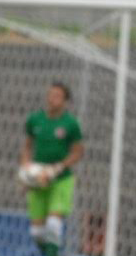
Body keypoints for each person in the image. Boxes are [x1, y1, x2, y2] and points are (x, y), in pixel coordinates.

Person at [21, 82, 84, 256]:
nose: (52, 98)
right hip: (38, 180)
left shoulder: (71, 124)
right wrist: (26, 172)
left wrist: (58, 168)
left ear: (65, 101)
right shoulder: (35, 120)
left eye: (57, 96)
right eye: (50, 94)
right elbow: (27, 148)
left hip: (61, 179)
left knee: (54, 224)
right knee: (37, 233)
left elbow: (78, 152)